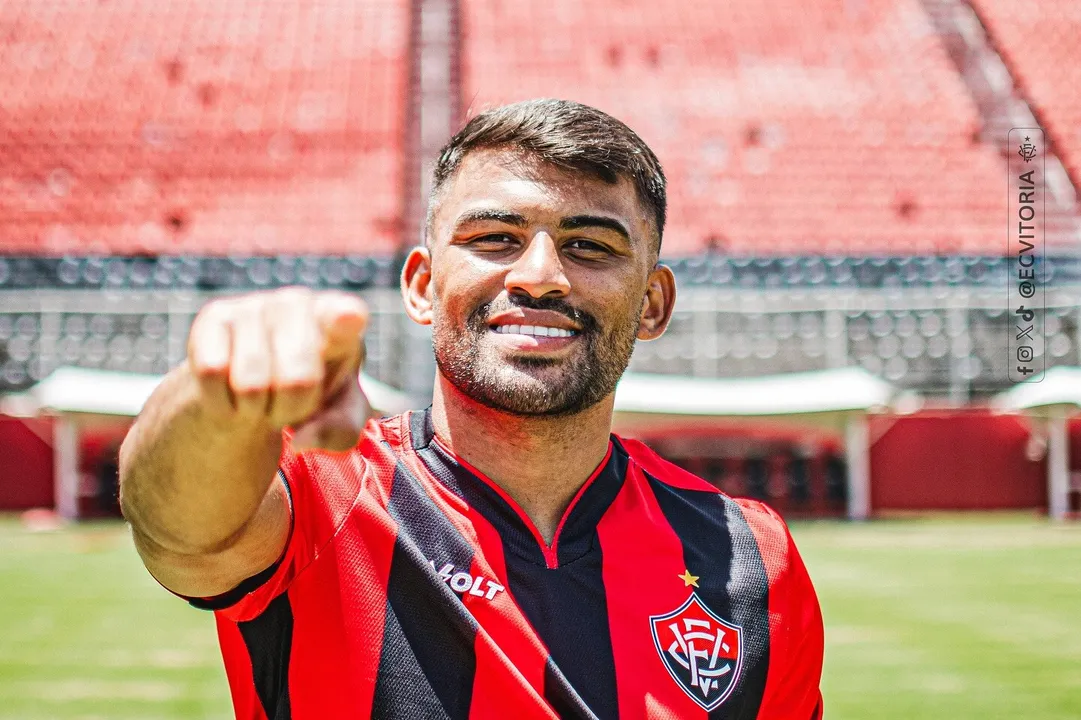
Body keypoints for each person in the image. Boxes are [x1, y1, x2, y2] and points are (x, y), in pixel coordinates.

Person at [119, 99, 824, 720]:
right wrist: (215, 395)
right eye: (494, 239)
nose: (541, 276)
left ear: (651, 303)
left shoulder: (752, 561)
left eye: (589, 246)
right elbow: (178, 529)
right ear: (422, 286)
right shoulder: (323, 498)